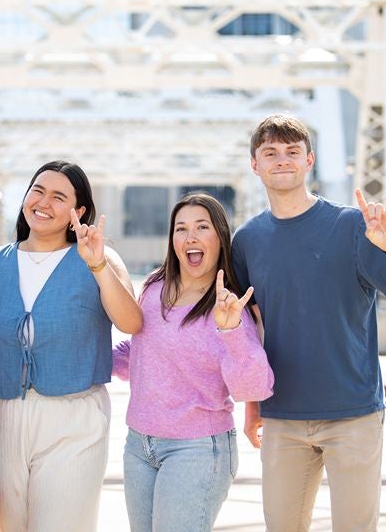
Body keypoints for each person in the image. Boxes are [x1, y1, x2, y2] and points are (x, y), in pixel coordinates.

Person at [231, 114, 386, 532]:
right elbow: (250, 331)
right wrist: (253, 406)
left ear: (309, 160)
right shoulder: (247, 241)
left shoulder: (350, 226)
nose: (282, 160)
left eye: (292, 151)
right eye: (270, 153)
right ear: (254, 165)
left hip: (353, 412)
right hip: (283, 415)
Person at [0, 160, 143, 532]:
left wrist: (97, 266)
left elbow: (131, 322)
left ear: (77, 212)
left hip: (75, 416)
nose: (43, 202)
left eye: (59, 196)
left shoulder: (101, 259)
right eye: (37, 190)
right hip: (2, 416)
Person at [112, 192, 274, 532]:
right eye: (181, 229)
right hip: (139, 444)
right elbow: (141, 355)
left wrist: (230, 331)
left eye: (203, 227)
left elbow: (253, 387)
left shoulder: (229, 306)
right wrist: (85, 358)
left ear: (220, 238)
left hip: (198, 449)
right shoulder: (155, 287)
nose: (191, 237)